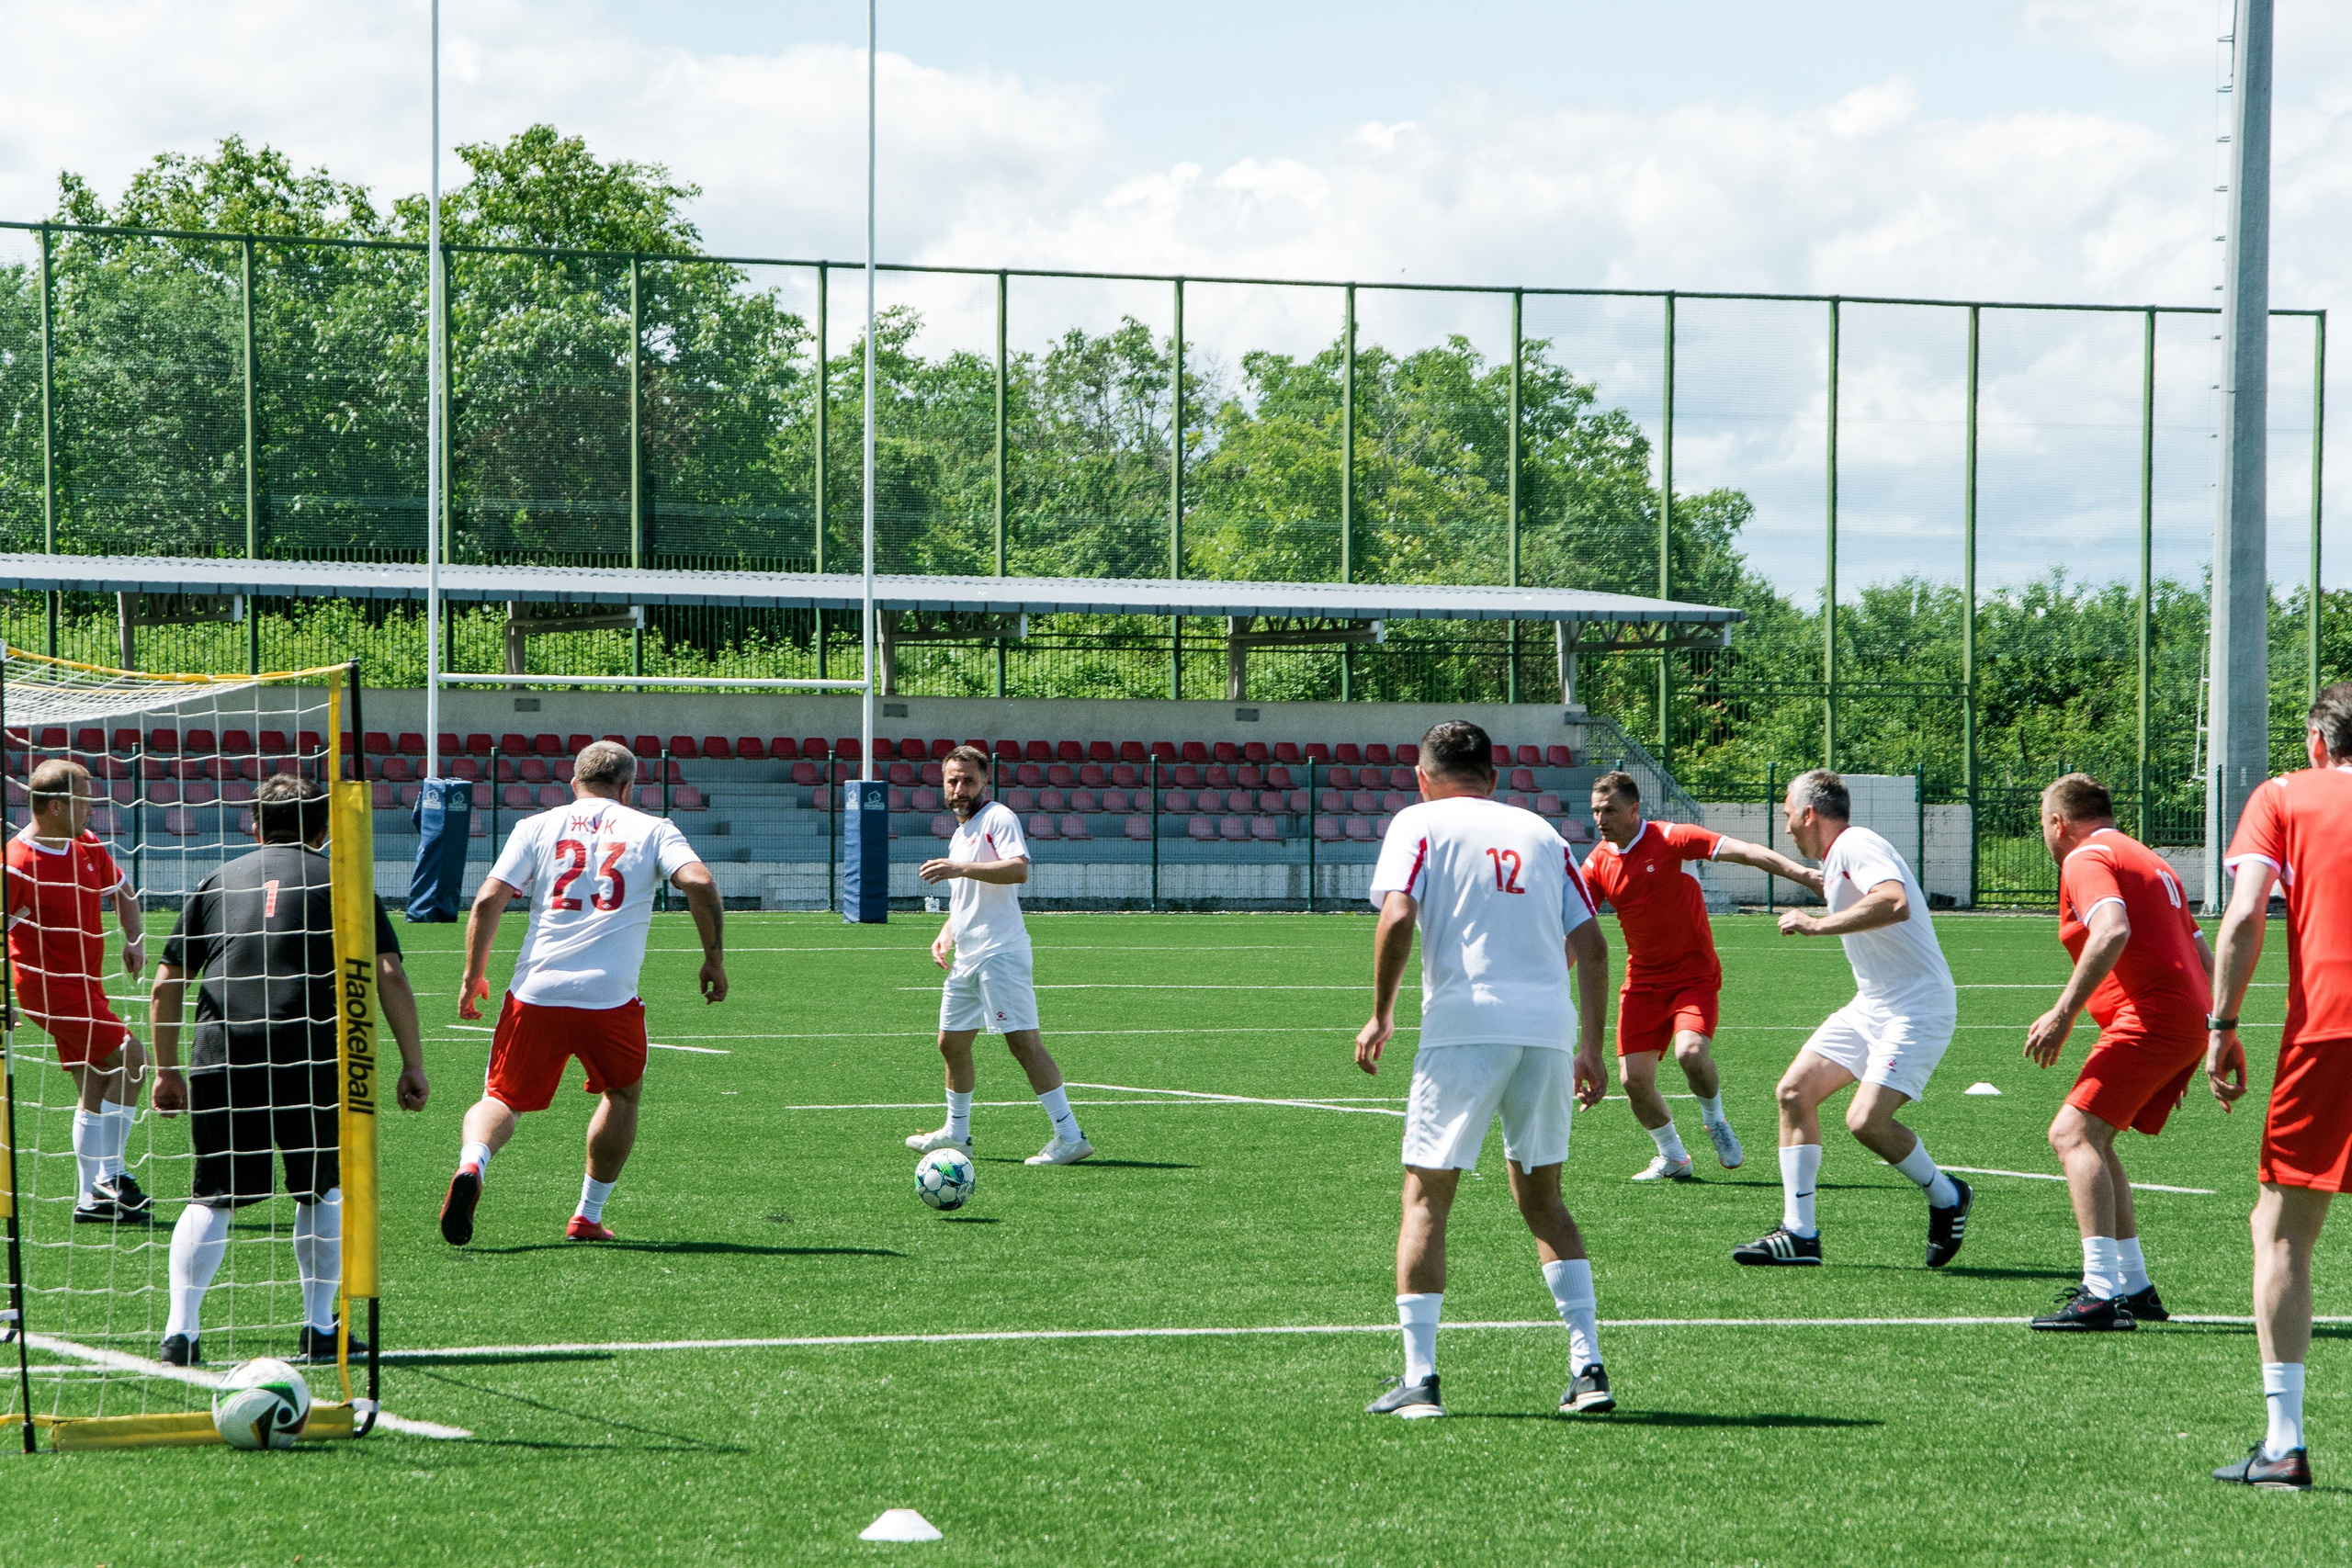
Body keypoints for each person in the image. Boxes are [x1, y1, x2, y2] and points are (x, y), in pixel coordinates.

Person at [1356, 719, 1612, 1420]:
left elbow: (1398, 916)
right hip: (1548, 1031)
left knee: (1427, 1198)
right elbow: (1592, 945)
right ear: (1493, 779)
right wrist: (1592, 1045)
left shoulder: (1419, 821)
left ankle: (1420, 1376)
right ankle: (1588, 1365)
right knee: (1543, 1199)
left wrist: (1381, 1012)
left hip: (1465, 1027)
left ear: (1422, 775)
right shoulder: (1543, 834)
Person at [148, 773, 430, 1366]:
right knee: (322, 1188)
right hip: (312, 1054)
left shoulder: (216, 880)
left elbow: (167, 979)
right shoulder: (342, 878)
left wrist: (167, 1068)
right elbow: (390, 973)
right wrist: (412, 1063)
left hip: (222, 1054)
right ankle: (320, 1328)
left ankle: (181, 1335)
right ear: (324, 828)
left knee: (212, 1195)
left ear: (254, 823)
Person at [440, 740, 727, 1247]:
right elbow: (699, 882)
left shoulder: (536, 826)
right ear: (627, 786)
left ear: (574, 784)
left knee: (502, 1098)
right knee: (622, 1094)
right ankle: (586, 1215)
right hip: (610, 999)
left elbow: (488, 899)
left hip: (536, 992)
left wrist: (473, 975)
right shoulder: (652, 827)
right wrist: (713, 959)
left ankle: (472, 1164)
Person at [2202, 683, 2352, 1490]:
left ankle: (2284, 1441)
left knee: (2284, 1229)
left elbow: (2244, 915)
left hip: (2330, 1031)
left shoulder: (2284, 795)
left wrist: (2221, 1026)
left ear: (2319, 743)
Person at [1732, 769, 1972, 1269]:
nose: (1787, 827)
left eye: (1787, 816)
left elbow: (1894, 902)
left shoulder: (1856, 844)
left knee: (1866, 1121)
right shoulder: (1842, 854)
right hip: (1872, 1005)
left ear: (1809, 814)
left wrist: (1816, 925)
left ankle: (1947, 1195)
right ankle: (1800, 1234)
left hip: (1916, 1007)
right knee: (1794, 1093)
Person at [2022, 773, 2211, 1332]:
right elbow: (2203, 955)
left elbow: (2110, 930)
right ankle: (2134, 1285)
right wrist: (2221, 1032)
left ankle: (2101, 1292)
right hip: (2184, 1018)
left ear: (2058, 822)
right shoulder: (2147, 858)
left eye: (2043, 824)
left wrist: (2062, 1013)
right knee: (2096, 1137)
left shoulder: (2085, 858)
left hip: (2153, 1017)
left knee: (2072, 1134)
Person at [1582, 770, 1821, 1180]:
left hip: (1693, 976)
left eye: (1610, 810)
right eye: (1595, 811)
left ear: (1634, 810)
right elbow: (1576, 930)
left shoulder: (1672, 838)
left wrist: (1803, 875)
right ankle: (1673, 1156)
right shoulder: (1598, 861)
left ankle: (1715, 1120)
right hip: (1641, 982)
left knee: (1690, 1054)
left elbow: (1746, 851)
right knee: (1633, 1081)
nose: (1600, 820)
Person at [905, 745, 1092, 1166]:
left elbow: (1019, 868)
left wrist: (958, 868)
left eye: (968, 780)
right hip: (969, 957)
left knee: (1023, 1043)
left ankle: (1070, 1136)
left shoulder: (998, 818)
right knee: (951, 1044)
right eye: (953, 780)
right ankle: (956, 1133)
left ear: (984, 782)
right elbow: (969, 898)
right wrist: (947, 931)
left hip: (1000, 954)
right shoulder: (961, 831)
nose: (959, 788)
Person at [6, 759, 152, 1225]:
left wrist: (134, 940)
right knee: (133, 1058)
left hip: (89, 987)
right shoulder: (15, 864)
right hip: (49, 992)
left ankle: (91, 1201)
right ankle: (111, 1177)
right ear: (53, 806)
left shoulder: (86, 845)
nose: (92, 809)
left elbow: (122, 890)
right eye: (84, 800)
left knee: (93, 1085)